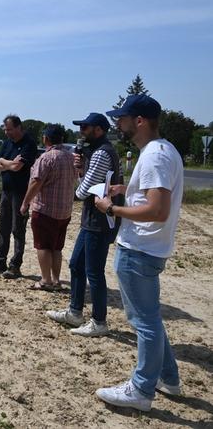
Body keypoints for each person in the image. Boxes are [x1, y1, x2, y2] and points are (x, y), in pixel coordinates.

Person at [94, 95, 184, 412]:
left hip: (139, 250)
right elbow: (150, 197)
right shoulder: (163, 150)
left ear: (140, 121)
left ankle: (142, 390)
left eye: (123, 118)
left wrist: (112, 207)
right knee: (151, 319)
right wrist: (127, 191)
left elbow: (157, 210)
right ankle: (169, 378)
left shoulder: (155, 156)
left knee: (144, 322)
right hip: (149, 249)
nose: (118, 123)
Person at [47, 113, 122, 337]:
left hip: (99, 221)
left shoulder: (101, 153)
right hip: (92, 220)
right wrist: (81, 170)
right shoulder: (99, 151)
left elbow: (82, 191)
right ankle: (75, 312)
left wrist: (81, 176)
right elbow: (87, 183)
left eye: (85, 127)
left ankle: (99, 322)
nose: (81, 131)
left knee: (95, 272)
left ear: (98, 129)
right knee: (77, 265)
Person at [19, 124, 77, 289]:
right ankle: (56, 279)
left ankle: (45, 280)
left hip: (45, 210)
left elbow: (36, 182)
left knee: (43, 245)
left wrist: (25, 203)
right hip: (65, 211)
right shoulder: (71, 157)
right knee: (57, 247)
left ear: (46, 138)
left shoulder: (46, 158)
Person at [0, 115, 38, 278]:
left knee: (17, 229)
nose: (7, 133)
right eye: (5, 129)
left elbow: (17, 167)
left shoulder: (29, 143)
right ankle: (0, 259)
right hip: (6, 191)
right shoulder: (7, 143)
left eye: (9, 129)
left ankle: (15, 265)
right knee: (3, 226)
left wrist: (4, 163)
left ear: (19, 127)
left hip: (21, 192)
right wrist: (6, 161)